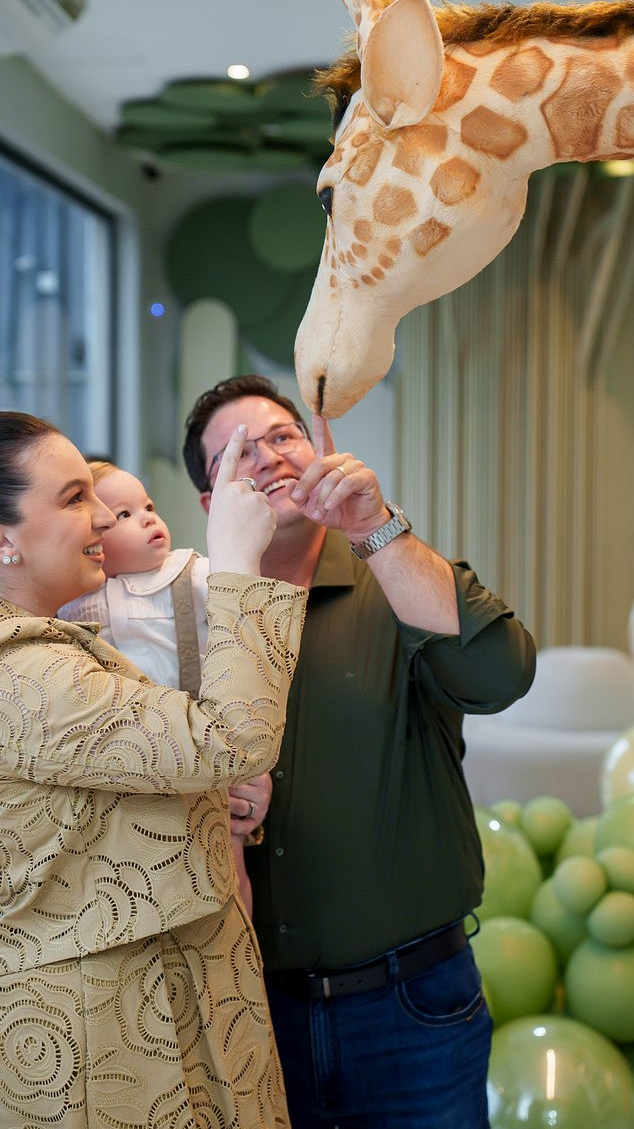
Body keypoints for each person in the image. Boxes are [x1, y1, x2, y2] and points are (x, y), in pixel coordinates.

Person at [0, 409, 307, 1129]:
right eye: (72, 498)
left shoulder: (30, 643)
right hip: (96, 1033)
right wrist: (237, 563)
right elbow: (229, 740)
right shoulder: (16, 669)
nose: (100, 517)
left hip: (121, 996)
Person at [179, 375, 537, 1129]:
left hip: (413, 1008)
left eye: (283, 436)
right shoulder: (188, 627)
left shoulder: (399, 583)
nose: (270, 457)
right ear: (212, 505)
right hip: (248, 1011)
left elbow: (499, 677)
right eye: (239, 452)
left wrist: (372, 525)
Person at [57, 460, 270, 916]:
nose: (148, 519)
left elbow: (244, 603)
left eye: (148, 507)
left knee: (228, 869)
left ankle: (240, 946)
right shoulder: (74, 602)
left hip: (201, 744)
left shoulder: (192, 573)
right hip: (132, 761)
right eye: (124, 514)